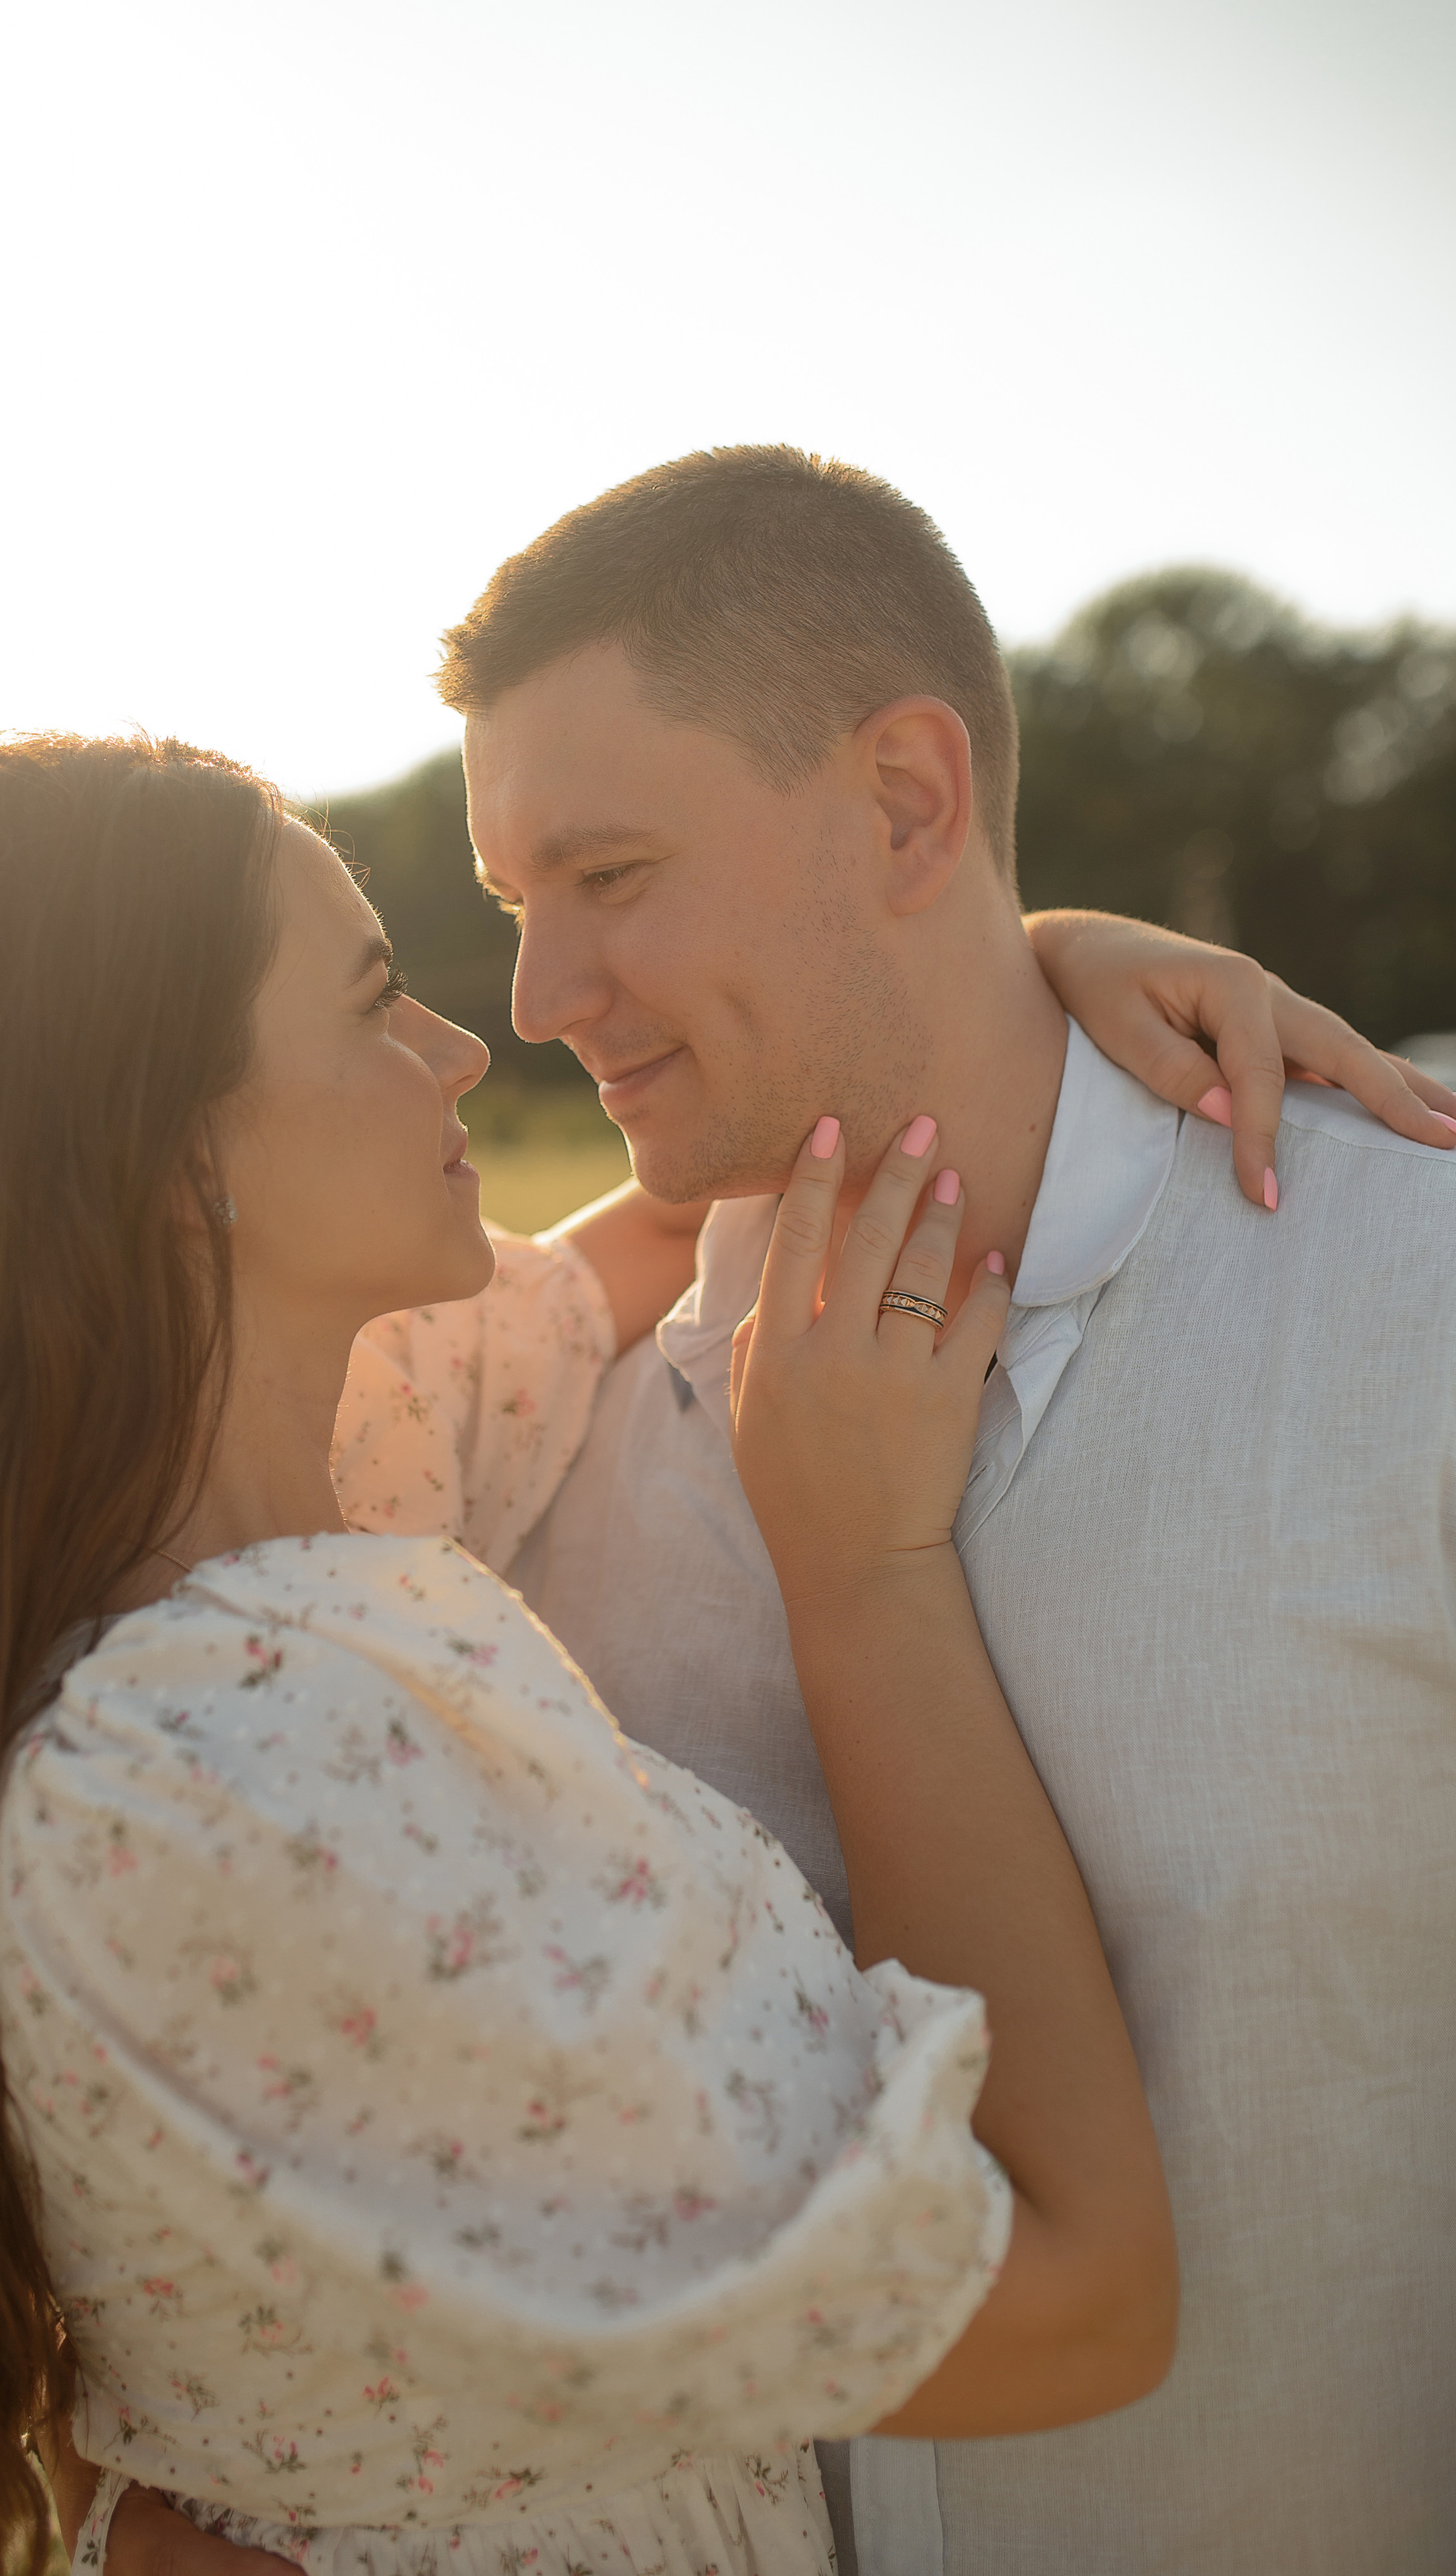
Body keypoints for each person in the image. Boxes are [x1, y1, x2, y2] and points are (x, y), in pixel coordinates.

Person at [0, 733, 1197, 2576]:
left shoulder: (336, 1450)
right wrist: (868, 1573)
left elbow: (700, 1197)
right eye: (371, 1004)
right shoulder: (241, 1781)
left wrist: (1037, 964)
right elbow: (1079, 2293)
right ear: (175, 1153)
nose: (460, 1045)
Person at [419, 447, 1455, 2576]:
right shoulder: (530, 1463)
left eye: (608, 873)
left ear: (906, 801)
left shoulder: (1414, 1310)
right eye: (519, 908)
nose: (537, 999)